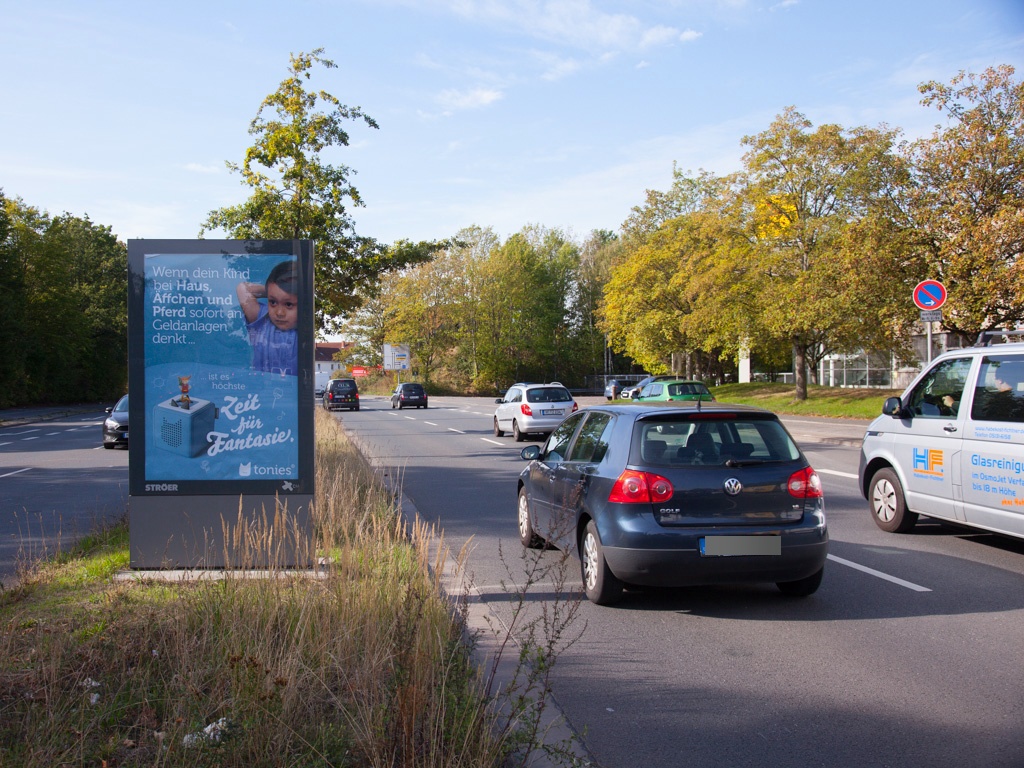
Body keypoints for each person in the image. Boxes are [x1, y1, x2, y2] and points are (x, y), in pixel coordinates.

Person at [236, 261, 299, 376]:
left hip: (293, 387)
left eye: (288, 304)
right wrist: (273, 290)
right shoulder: (262, 320)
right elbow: (243, 289)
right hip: (261, 386)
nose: (279, 313)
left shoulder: (304, 330)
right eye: (273, 302)